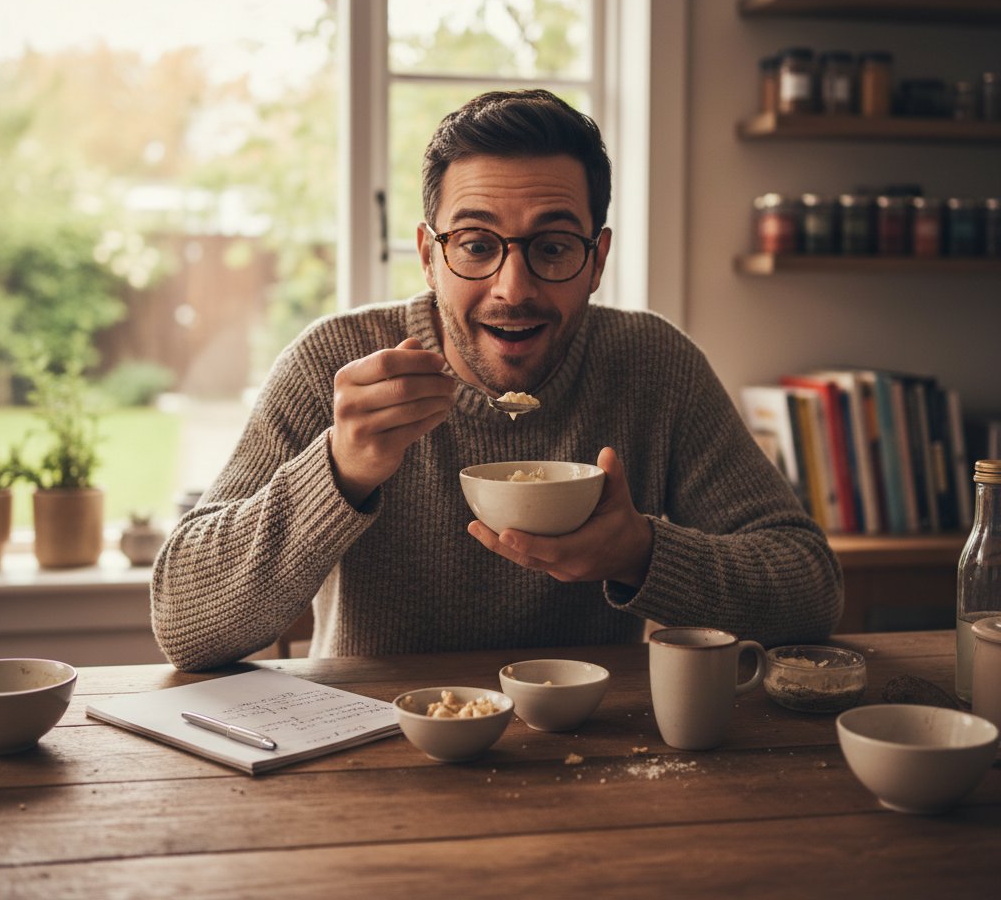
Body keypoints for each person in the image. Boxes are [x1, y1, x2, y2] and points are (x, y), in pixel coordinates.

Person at [151, 89, 842, 670]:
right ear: (428, 256)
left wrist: (640, 551)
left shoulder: (652, 368)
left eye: (553, 247)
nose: (514, 289)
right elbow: (182, 623)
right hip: (372, 763)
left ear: (597, 260)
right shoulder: (336, 363)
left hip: (598, 759)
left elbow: (810, 589)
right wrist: (340, 469)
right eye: (477, 245)